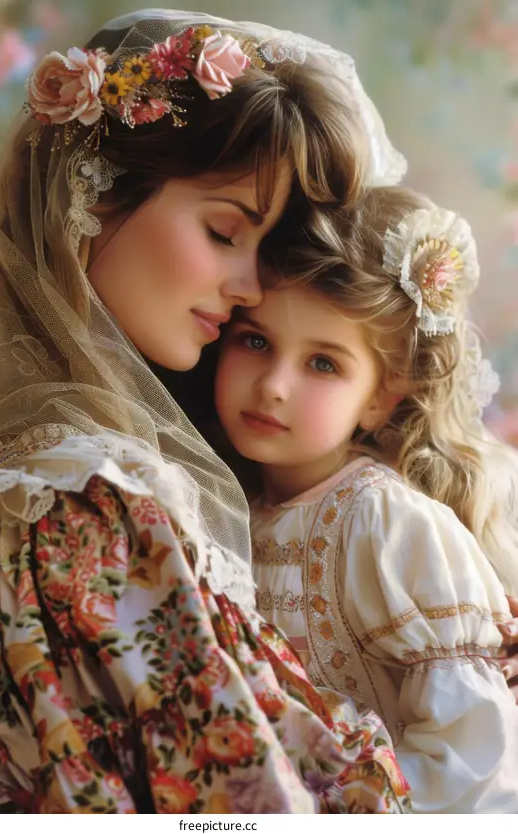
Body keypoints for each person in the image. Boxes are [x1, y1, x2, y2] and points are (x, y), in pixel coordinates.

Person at [0, 9, 412, 814]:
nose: (250, 287)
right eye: (225, 232)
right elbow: (242, 806)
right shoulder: (80, 499)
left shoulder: (31, 479)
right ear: (95, 198)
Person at [215, 185, 518, 813]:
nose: (272, 386)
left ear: (382, 397)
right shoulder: (231, 505)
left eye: (323, 365)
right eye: (254, 341)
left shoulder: (386, 521)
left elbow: (473, 760)